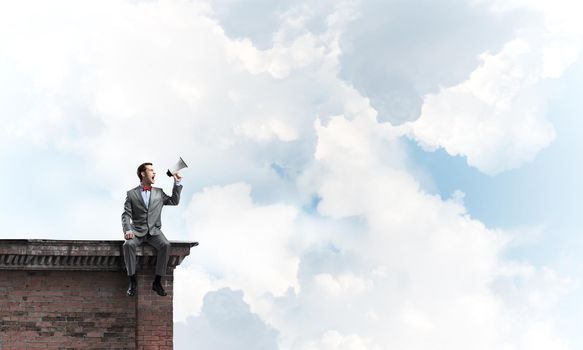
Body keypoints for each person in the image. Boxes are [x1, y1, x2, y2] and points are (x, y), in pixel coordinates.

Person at [121, 162, 183, 296]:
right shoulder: (131, 194)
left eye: (154, 170)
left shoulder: (159, 193)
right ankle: (132, 281)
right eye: (151, 170)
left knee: (166, 245)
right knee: (128, 245)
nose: (154, 173)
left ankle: (157, 282)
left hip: (154, 231)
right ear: (143, 173)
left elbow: (174, 201)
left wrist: (177, 183)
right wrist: (128, 230)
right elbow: (126, 215)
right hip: (137, 231)